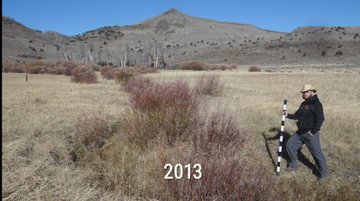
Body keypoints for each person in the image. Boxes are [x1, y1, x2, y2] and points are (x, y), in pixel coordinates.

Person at [285, 84, 328, 182]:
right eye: (303, 92)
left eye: (307, 92)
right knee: (290, 145)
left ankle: (323, 175)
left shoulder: (316, 104)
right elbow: (297, 115)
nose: (304, 94)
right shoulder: (303, 104)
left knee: (317, 154)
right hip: (300, 132)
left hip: (310, 134)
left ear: (312, 92)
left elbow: (320, 119)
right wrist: (287, 115)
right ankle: (293, 165)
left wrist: (313, 132)